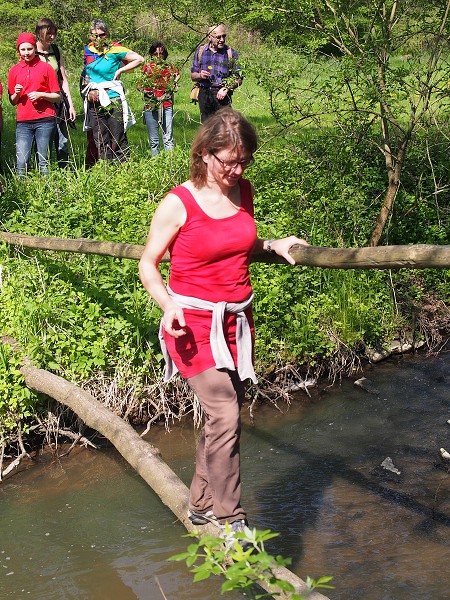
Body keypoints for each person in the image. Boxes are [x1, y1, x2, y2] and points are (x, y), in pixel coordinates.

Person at [138, 108, 308, 533]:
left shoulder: (242, 192)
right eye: (228, 160)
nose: (236, 169)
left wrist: (271, 243)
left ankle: (199, 503)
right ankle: (231, 518)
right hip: (191, 323)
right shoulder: (179, 202)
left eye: (243, 160)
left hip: (235, 323)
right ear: (205, 154)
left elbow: (238, 245)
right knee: (226, 414)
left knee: (221, 419)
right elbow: (148, 264)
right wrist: (167, 304)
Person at [81, 19, 144, 162]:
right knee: (100, 139)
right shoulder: (88, 50)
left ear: (106, 34)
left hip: (113, 97)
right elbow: (86, 73)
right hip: (94, 98)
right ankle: (105, 170)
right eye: (94, 35)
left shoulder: (114, 49)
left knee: (118, 137)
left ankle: (123, 169)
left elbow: (139, 59)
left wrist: (121, 69)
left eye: (101, 35)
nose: (98, 38)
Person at [8, 33, 60, 177]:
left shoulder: (46, 68)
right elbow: (12, 101)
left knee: (43, 161)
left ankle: (47, 192)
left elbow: (57, 96)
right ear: (18, 51)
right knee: (22, 162)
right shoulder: (14, 70)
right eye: (23, 50)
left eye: (29, 49)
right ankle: (20, 193)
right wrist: (16, 93)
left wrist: (41, 95)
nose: (26, 53)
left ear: (34, 48)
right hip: (23, 122)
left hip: (45, 120)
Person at [35, 18, 76, 167]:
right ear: (40, 33)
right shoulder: (30, 51)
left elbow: (63, 79)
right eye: (48, 33)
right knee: (43, 143)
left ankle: (64, 172)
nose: (52, 37)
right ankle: (43, 174)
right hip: (40, 102)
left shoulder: (56, 51)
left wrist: (70, 105)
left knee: (63, 142)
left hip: (59, 100)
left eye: (54, 34)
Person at [191, 24, 242, 123]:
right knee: (207, 130)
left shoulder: (230, 53)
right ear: (209, 37)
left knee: (226, 128)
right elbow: (193, 76)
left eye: (224, 36)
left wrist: (226, 88)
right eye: (218, 37)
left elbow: (238, 78)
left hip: (223, 97)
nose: (222, 40)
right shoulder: (201, 51)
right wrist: (200, 75)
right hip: (205, 95)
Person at [140, 42, 180, 156]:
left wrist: (173, 83)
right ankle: (155, 163)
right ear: (151, 54)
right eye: (155, 54)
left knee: (168, 138)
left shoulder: (168, 67)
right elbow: (138, 84)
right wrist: (145, 90)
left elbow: (178, 74)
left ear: (164, 54)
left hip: (166, 104)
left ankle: (170, 163)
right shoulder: (147, 67)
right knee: (154, 141)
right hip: (151, 105)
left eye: (161, 54)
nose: (158, 56)